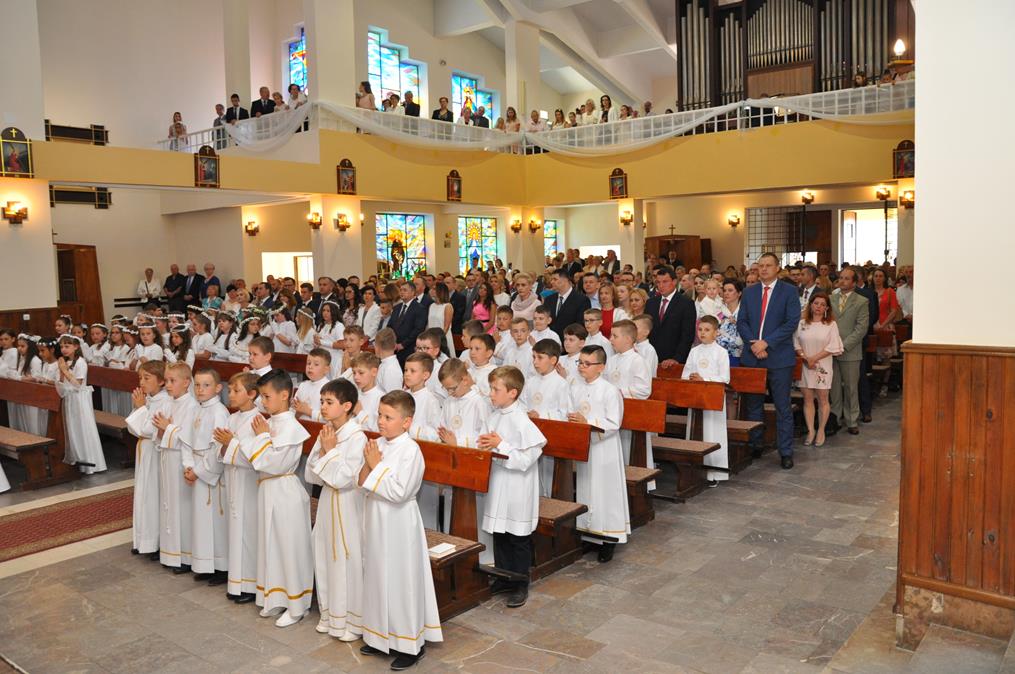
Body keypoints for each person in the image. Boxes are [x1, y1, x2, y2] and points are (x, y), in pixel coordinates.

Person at [358, 391, 443, 668]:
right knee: (377, 575)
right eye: (379, 415)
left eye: (388, 417)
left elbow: (399, 492)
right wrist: (368, 464)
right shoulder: (378, 444)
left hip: (399, 522)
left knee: (401, 580)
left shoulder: (411, 450)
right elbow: (362, 482)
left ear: (406, 422)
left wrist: (375, 465)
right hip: (376, 517)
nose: (381, 421)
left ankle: (409, 645)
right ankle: (378, 636)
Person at [241, 369, 313, 628]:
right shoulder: (269, 422)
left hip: (284, 491)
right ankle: (277, 598)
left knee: (288, 547)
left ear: (284, 395)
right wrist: (262, 436)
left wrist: (262, 437)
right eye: (261, 396)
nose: (262, 402)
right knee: (271, 545)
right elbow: (250, 454)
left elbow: (274, 463)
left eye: (267, 396)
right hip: (268, 490)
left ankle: (297, 606)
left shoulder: (292, 427)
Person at [479, 366, 546, 609]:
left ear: (512, 393)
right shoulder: (494, 416)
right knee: (500, 532)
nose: (491, 394)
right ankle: (503, 577)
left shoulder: (521, 420)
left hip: (518, 486)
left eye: (495, 389)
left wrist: (501, 445)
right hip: (499, 482)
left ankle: (520, 583)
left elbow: (527, 459)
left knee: (518, 536)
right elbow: (484, 442)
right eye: (491, 388)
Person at [305, 378, 366, 641]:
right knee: (324, 554)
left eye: (329, 402)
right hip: (328, 501)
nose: (323, 406)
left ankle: (352, 621)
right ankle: (329, 615)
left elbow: (344, 479)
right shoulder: (327, 432)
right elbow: (311, 475)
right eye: (321, 401)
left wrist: (329, 453)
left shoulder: (357, 437)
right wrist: (326, 454)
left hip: (347, 504)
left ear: (347, 406)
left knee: (345, 558)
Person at [736, 252, 801, 470]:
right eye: (760, 266)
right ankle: (755, 445)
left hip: (779, 357)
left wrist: (767, 343)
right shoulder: (749, 291)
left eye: (768, 265)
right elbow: (742, 321)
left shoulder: (789, 291)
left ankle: (785, 451)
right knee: (753, 405)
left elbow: (791, 322)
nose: (763, 269)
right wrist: (755, 344)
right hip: (752, 356)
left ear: (777, 268)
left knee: (783, 407)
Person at [569, 345, 628, 562]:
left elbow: (614, 422)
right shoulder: (575, 387)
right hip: (585, 447)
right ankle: (589, 534)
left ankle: (609, 538)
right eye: (580, 362)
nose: (582, 367)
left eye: (587, 363)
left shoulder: (610, 390)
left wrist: (587, 422)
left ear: (601, 367)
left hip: (604, 449)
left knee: (605, 492)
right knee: (587, 489)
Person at [213, 372, 262, 604]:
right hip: (233, 480)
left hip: (249, 482)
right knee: (234, 530)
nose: (230, 395)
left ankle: (250, 584)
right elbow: (221, 451)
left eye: (236, 390)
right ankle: (236, 581)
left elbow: (254, 458)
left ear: (252, 394)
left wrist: (230, 443)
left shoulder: (258, 421)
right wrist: (225, 446)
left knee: (248, 532)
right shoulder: (232, 418)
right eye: (229, 390)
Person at [183, 369, 230, 584]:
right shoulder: (196, 408)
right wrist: (188, 465)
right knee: (201, 520)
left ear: (218, 388)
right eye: (197, 385)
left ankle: (221, 566)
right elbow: (186, 441)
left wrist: (198, 471)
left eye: (206, 385)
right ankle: (205, 563)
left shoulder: (219, 412)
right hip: (196, 467)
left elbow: (216, 448)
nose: (200, 389)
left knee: (216, 521)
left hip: (210, 473)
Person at [152, 362, 199, 570]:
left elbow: (189, 438)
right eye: (167, 381)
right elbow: (158, 430)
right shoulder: (167, 403)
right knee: (168, 504)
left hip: (181, 461)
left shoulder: (192, 406)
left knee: (182, 507)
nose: (168, 385)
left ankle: (185, 556)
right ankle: (169, 552)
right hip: (167, 458)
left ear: (186, 382)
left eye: (173, 381)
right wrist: (163, 429)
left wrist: (168, 427)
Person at [125, 360, 170, 558]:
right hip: (144, 450)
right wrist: (140, 407)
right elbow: (132, 427)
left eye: (146, 378)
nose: (141, 382)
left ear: (161, 381)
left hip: (155, 451)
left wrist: (141, 408)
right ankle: (142, 539)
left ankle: (156, 542)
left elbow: (147, 430)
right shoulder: (149, 399)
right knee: (143, 494)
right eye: (140, 378)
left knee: (153, 495)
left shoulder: (165, 402)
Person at [681, 316, 731, 486]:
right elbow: (685, 373)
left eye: (707, 330)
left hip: (713, 400)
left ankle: (714, 473)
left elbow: (725, 378)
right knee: (695, 432)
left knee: (712, 433)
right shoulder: (694, 351)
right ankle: (694, 470)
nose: (702, 333)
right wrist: (690, 378)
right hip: (696, 399)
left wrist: (704, 379)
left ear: (716, 333)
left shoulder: (721, 352)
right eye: (700, 329)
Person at [794, 293, 844, 447]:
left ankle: (821, 430)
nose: (818, 307)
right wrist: (805, 358)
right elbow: (796, 343)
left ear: (827, 308)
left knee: (823, 399)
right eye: (816, 303)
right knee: (808, 399)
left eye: (823, 304)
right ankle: (811, 430)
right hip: (805, 365)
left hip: (822, 365)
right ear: (811, 305)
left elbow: (833, 346)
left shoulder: (831, 324)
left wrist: (813, 358)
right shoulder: (802, 323)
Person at [828, 267, 870, 437]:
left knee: (851, 387)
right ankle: (835, 418)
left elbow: (861, 328)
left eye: (846, 278)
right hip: (830, 350)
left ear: (854, 282)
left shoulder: (861, 301)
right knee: (834, 388)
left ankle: (852, 420)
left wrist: (843, 346)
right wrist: (831, 345)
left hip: (850, 351)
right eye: (841, 278)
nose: (842, 281)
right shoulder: (831, 298)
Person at [646, 266, 696, 367]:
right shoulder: (650, 303)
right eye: (658, 282)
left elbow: (687, 335)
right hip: (652, 359)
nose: (661, 285)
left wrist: (677, 358)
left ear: (674, 282)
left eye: (665, 282)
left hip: (674, 361)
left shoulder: (686, 303)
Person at [544, 269, 591, 339]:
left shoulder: (582, 300)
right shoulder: (549, 299)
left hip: (570, 340)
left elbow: (581, 325)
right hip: (550, 341)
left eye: (555, 279)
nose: (552, 282)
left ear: (566, 280)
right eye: (551, 280)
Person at [716, 279, 744, 366]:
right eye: (724, 290)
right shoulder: (718, 309)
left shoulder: (744, 311)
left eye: (730, 290)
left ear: (739, 293)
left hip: (738, 356)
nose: (726, 293)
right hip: (718, 356)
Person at [427, 283, 453, 356]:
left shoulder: (447, 306)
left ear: (441, 291)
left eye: (434, 289)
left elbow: (446, 326)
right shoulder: (432, 305)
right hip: (431, 336)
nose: (431, 290)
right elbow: (429, 324)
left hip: (443, 337)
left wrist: (439, 339)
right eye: (432, 288)